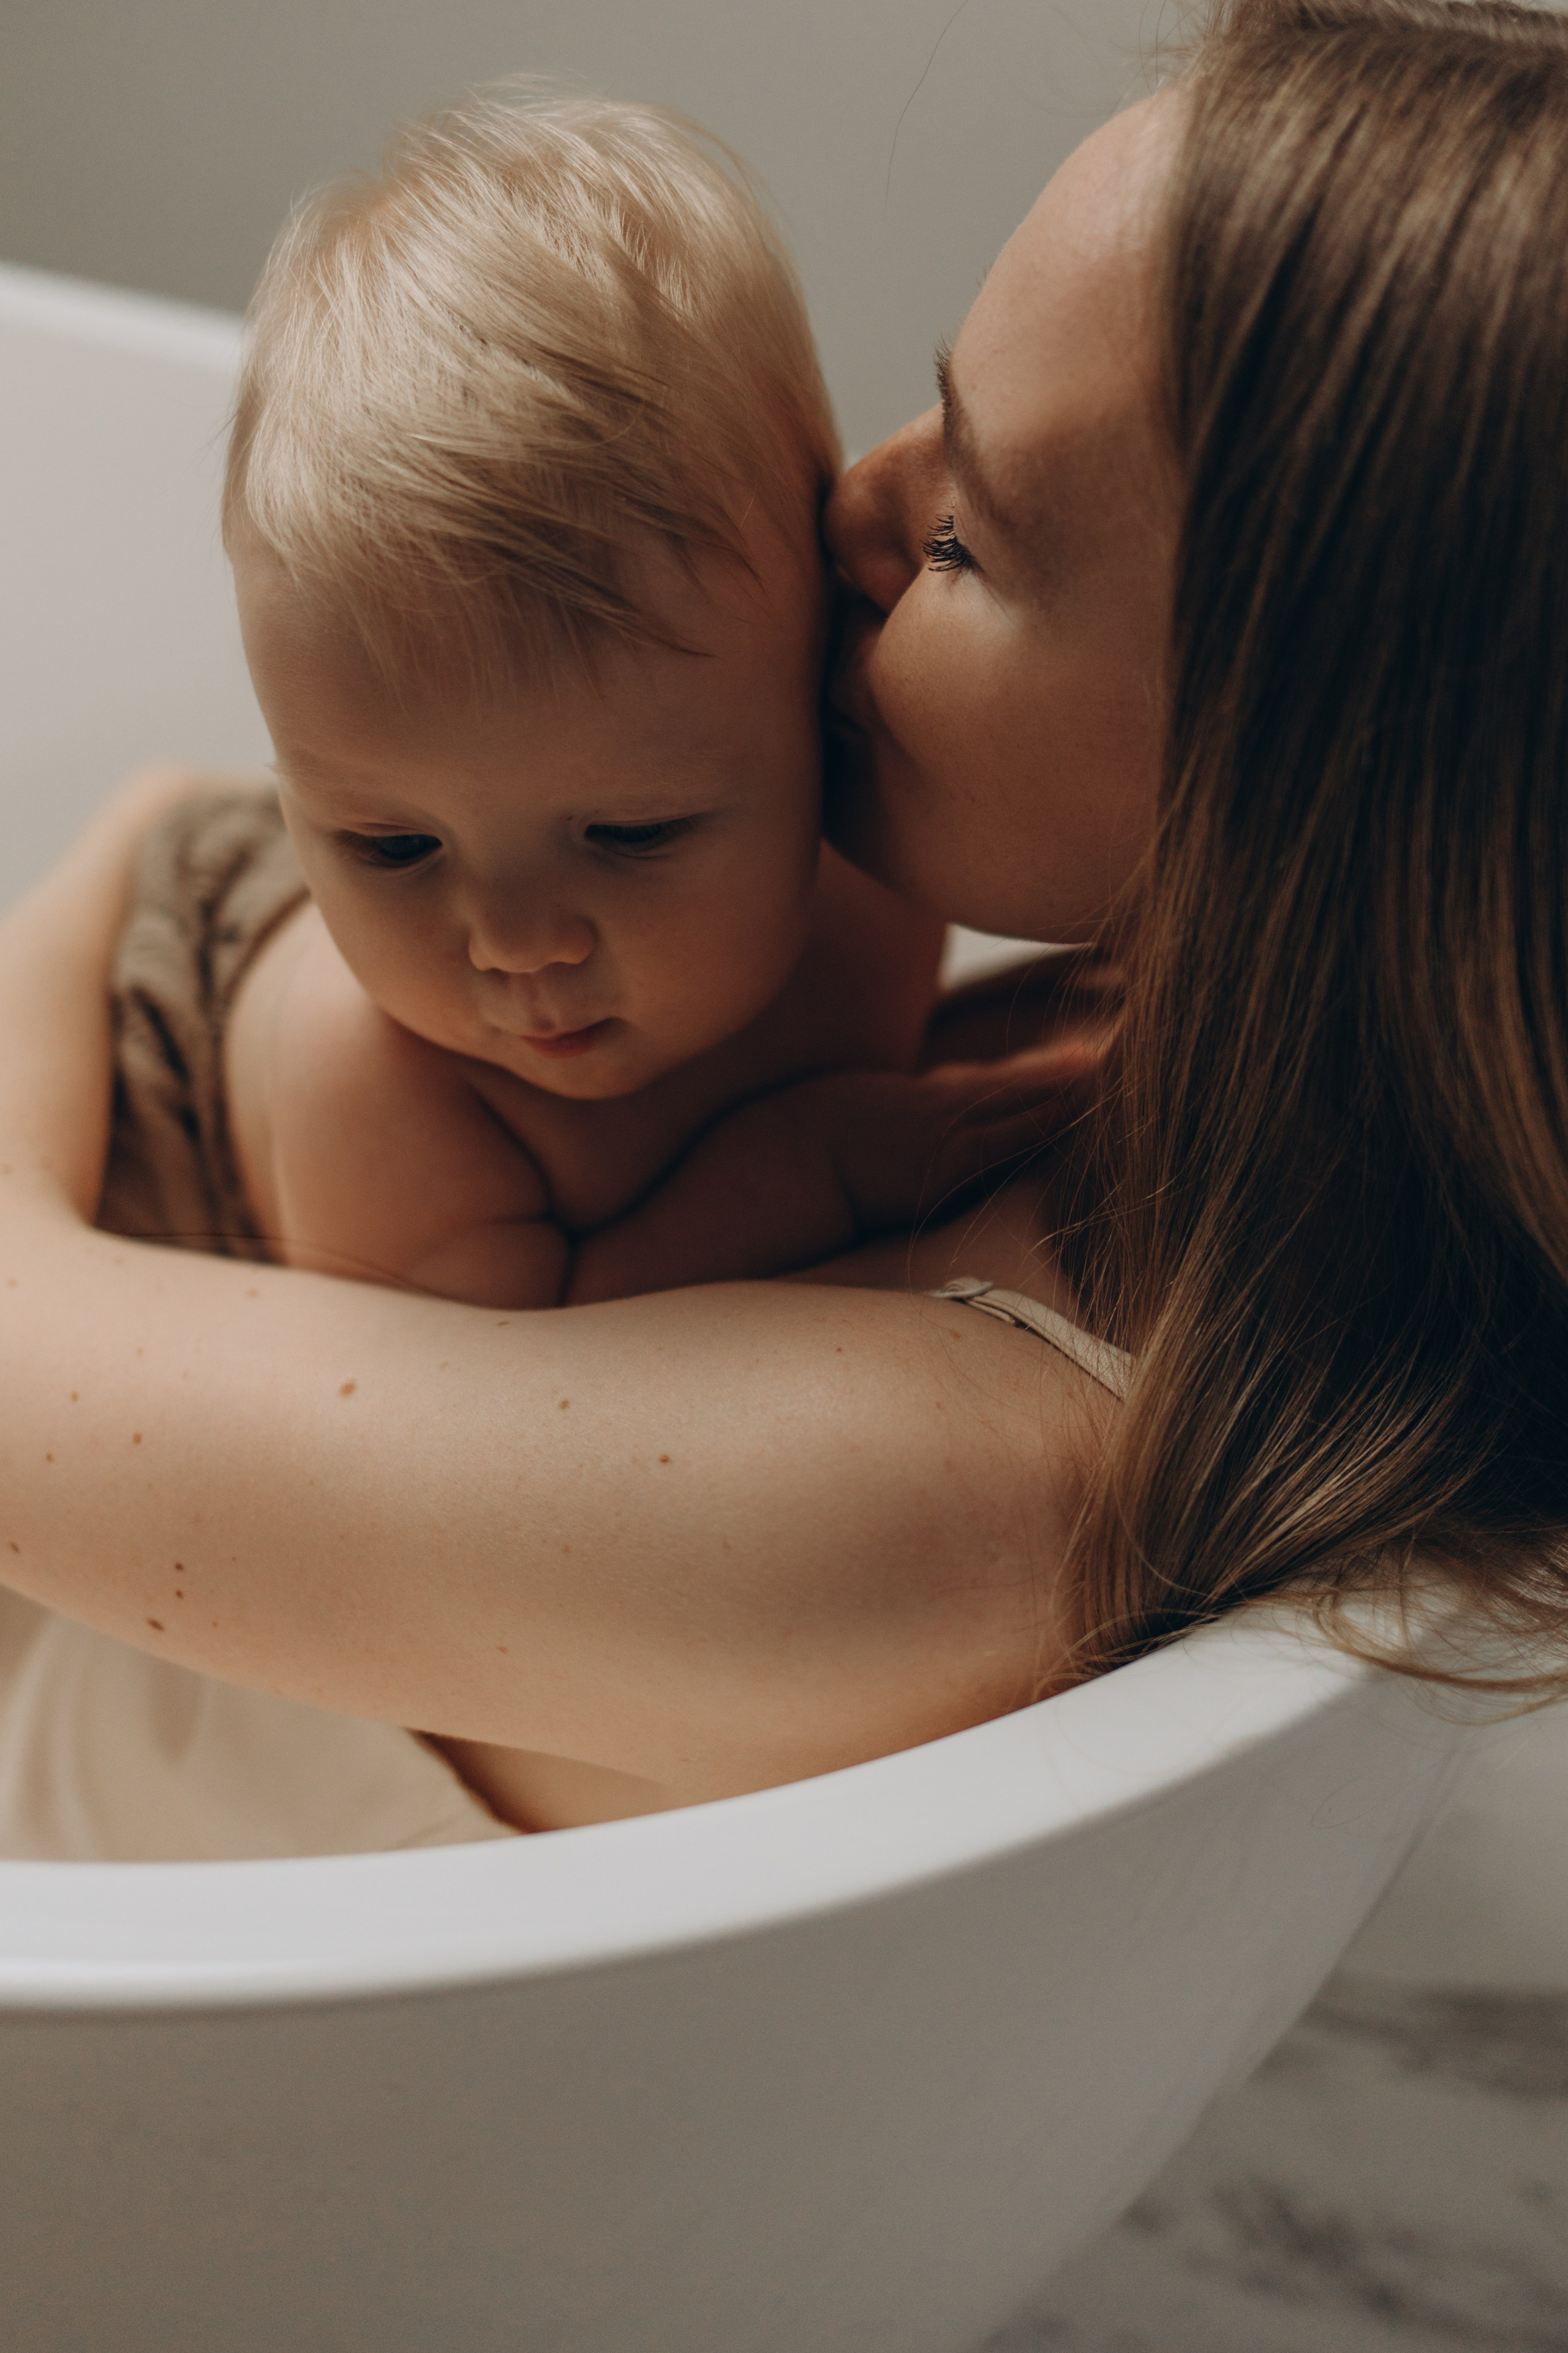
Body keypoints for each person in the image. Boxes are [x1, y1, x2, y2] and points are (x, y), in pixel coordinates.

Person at [1, 0, 1564, 1851]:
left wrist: (99, 870)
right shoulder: (1240, 1104)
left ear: (1293, 772)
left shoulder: (920, 1500)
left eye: (970, 527)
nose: (849, 511)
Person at [106, 93, 986, 1312]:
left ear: (821, 694)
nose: (515, 943)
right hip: (179, 1072)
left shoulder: (888, 885)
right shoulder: (377, 1088)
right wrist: (822, 1159)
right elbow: (516, 1410)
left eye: (629, 834)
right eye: (389, 846)